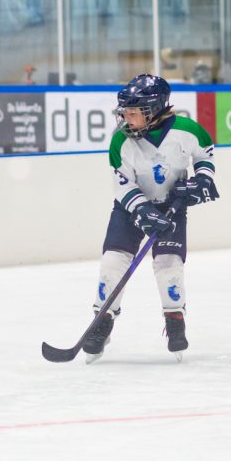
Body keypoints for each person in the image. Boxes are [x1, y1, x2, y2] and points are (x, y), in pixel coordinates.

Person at [84, 74, 218, 362]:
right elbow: (122, 183)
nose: (127, 118)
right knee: (112, 263)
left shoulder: (187, 130)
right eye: (125, 112)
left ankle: (174, 321)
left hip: (171, 204)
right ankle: (102, 322)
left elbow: (205, 154)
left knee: (168, 264)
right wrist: (142, 209)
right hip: (130, 209)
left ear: (154, 108)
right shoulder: (121, 141)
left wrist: (203, 179)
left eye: (134, 112)